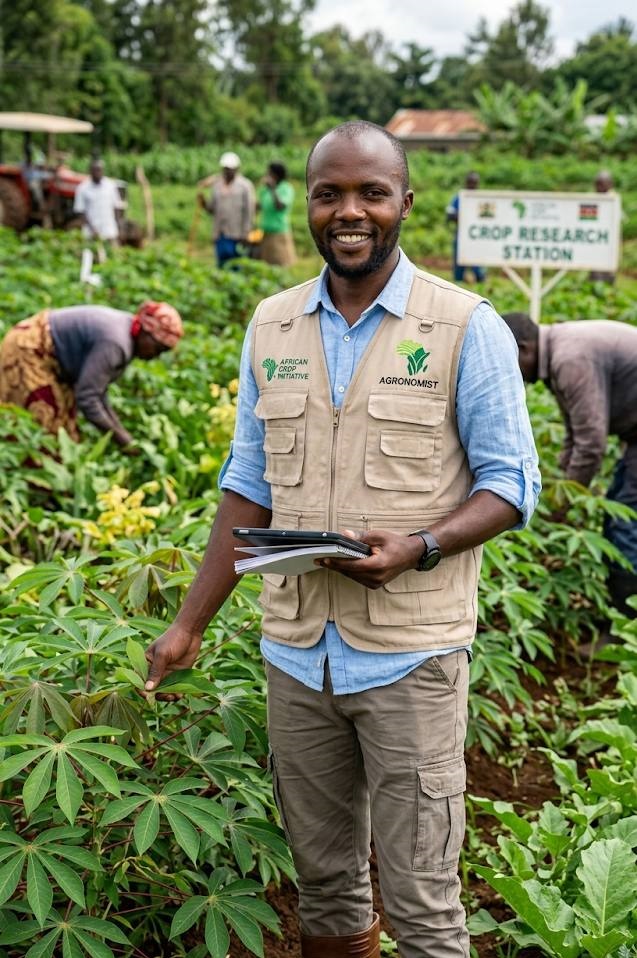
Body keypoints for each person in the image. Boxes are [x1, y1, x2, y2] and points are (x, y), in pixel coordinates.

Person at [144, 121, 540, 958]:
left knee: (424, 903)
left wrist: (419, 546)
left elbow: (511, 485)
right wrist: (188, 624)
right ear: (310, 204)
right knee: (323, 887)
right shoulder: (273, 322)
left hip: (411, 654)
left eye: (369, 193)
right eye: (330, 194)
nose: (347, 211)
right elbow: (245, 485)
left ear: (404, 202)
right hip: (296, 654)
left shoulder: (465, 325)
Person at [502, 311, 637, 621]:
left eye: (509, 365)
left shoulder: (569, 360)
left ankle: (624, 629)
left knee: (624, 522)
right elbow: (573, 437)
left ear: (524, 349)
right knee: (621, 510)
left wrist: (564, 503)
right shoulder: (558, 354)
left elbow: (591, 444)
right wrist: (554, 491)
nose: (513, 376)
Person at [0, 302, 183, 449]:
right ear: (145, 331)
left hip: (49, 356)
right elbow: (87, 398)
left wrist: (121, 433)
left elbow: (98, 391)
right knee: (43, 429)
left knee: (65, 431)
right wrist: (122, 440)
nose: (156, 355)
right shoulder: (115, 344)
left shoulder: (126, 336)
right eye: (158, 348)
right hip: (28, 350)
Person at [198, 151, 256, 268]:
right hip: (220, 233)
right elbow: (212, 209)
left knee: (236, 263)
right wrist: (204, 203)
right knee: (222, 263)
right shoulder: (217, 185)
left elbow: (249, 211)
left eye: (230, 168)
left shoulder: (245, 186)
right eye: (225, 168)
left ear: (236, 169)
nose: (227, 171)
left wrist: (246, 232)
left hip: (237, 233)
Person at [74, 159, 125, 261]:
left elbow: (117, 207)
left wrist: (119, 224)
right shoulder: (83, 188)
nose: (98, 173)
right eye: (95, 170)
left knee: (115, 255)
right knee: (91, 257)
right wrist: (92, 228)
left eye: (100, 170)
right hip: (91, 230)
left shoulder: (110, 186)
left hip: (109, 228)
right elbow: (80, 211)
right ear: (90, 171)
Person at [446, 171, 486, 284]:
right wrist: (461, 216)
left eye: (474, 183)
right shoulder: (460, 197)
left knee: (477, 264)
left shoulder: (480, 200)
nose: (472, 186)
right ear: (466, 183)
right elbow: (450, 213)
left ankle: (481, 285)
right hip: (461, 235)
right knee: (459, 264)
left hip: (477, 237)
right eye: (470, 183)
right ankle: (458, 284)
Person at [257, 162, 297, 266]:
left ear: (277, 175)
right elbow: (259, 206)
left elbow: (280, 207)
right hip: (266, 233)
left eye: (269, 173)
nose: (267, 175)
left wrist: (273, 189)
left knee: (281, 263)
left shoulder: (286, 188)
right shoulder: (265, 189)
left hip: (279, 233)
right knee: (268, 265)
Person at [590, 170, 616, 283]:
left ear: (610, 184)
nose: (600, 186)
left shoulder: (614, 200)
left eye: (603, 183)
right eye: (598, 183)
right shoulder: (590, 198)